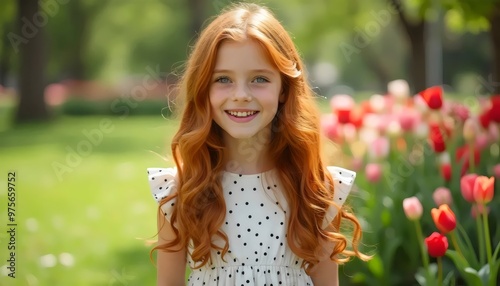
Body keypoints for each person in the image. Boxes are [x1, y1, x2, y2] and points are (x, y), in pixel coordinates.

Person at [147, 3, 369, 285]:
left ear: (284, 90)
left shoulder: (316, 189)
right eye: (223, 79)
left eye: (259, 79)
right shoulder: (180, 191)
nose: (241, 94)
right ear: (203, 88)